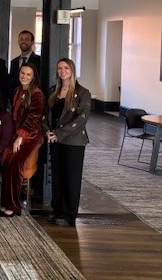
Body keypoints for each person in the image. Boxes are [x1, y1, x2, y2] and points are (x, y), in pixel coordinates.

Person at [45, 58, 92, 227]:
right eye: (59, 68)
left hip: (73, 142)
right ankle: (57, 209)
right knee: (57, 176)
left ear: (72, 70)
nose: (62, 71)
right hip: (55, 140)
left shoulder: (83, 93)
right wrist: (48, 131)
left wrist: (59, 133)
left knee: (71, 178)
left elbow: (81, 120)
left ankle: (69, 214)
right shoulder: (53, 90)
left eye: (66, 68)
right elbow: (46, 115)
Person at [0, 63, 45, 217]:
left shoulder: (37, 94)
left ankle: (14, 206)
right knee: (5, 160)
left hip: (30, 136)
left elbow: (34, 118)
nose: (24, 76)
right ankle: (5, 202)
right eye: (22, 73)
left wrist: (21, 136)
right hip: (16, 134)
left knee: (15, 164)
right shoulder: (17, 91)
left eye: (28, 74)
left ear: (34, 77)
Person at [8, 30, 41, 99]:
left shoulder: (40, 60)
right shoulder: (14, 62)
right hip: (16, 98)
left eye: (27, 39)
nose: (23, 41)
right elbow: (11, 82)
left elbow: (40, 81)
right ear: (18, 42)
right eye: (21, 39)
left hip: (33, 98)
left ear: (32, 42)